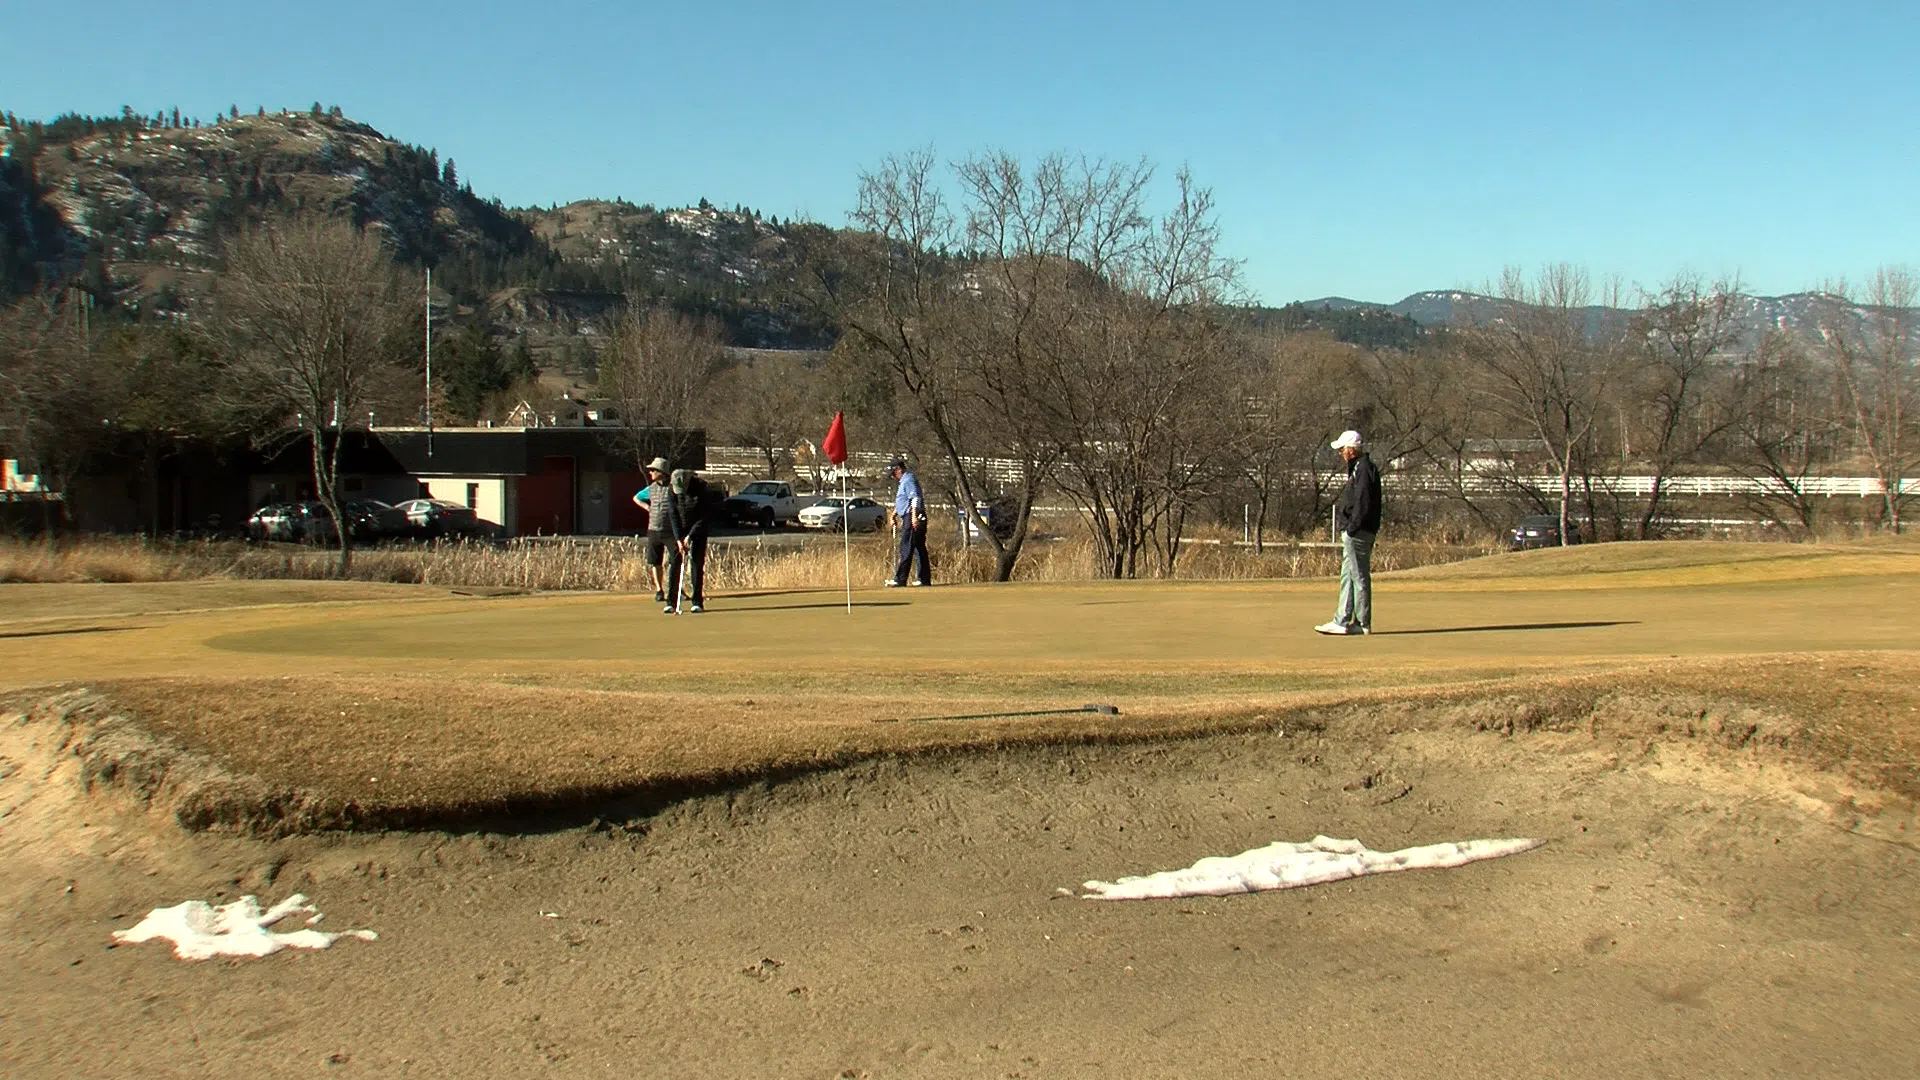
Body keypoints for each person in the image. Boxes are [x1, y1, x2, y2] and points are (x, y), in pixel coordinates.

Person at [1316, 430, 1381, 636]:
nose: (1340, 453)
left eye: (1342, 449)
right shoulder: (1359, 468)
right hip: (1357, 531)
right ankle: (1342, 620)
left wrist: (1351, 528)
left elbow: (1362, 503)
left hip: (1359, 532)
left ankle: (1361, 623)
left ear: (1351, 450)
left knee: (1358, 577)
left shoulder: (1363, 470)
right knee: (1348, 575)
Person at [665, 467, 718, 614]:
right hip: (679, 529)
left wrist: (691, 536)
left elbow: (704, 516)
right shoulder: (671, 490)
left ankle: (697, 602)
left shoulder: (702, 489)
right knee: (674, 562)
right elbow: (673, 514)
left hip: (698, 528)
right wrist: (678, 538)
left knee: (696, 563)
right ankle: (671, 602)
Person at [633, 457, 675, 604]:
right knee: (655, 561)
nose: (650, 473)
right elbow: (636, 498)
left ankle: (676, 589)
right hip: (654, 529)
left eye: (653, 470)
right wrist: (647, 507)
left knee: (674, 561)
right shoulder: (651, 488)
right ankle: (659, 589)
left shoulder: (673, 487)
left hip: (671, 531)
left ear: (661, 472)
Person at [884, 455, 931, 587]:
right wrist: (894, 514)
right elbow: (902, 501)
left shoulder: (908, 479)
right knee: (918, 547)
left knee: (906, 546)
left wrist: (914, 517)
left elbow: (914, 498)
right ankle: (923, 579)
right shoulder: (904, 481)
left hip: (912, 516)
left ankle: (900, 579)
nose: (893, 477)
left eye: (893, 473)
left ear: (898, 469)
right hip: (909, 515)